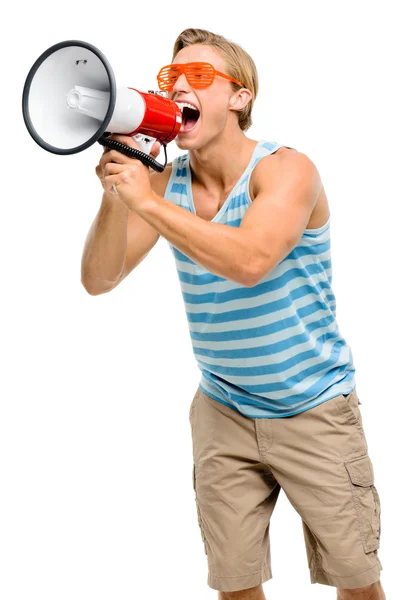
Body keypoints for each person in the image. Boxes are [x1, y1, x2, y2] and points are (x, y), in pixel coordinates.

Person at [81, 27, 385, 600]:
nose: (177, 89)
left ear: (240, 96)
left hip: (313, 406)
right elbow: (100, 278)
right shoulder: (167, 184)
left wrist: (145, 198)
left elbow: (250, 260)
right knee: (235, 586)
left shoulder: (287, 169)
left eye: (199, 77)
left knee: (357, 583)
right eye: (172, 78)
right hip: (222, 410)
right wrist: (117, 196)